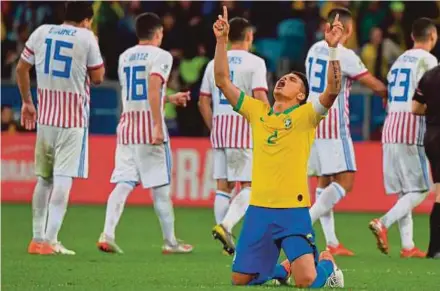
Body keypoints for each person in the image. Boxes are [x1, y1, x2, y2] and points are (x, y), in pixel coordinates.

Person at [213, 6, 344, 288]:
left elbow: (332, 90)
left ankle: (328, 265)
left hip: (292, 210)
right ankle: (283, 269)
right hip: (259, 209)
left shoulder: (306, 115)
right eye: (284, 78)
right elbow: (222, 81)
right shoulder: (257, 111)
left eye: (293, 80)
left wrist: (333, 49)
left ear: (301, 95)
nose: (284, 79)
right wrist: (221, 41)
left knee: (307, 280)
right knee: (240, 280)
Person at [97, 12, 193, 255]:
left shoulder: (124, 56)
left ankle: (107, 233)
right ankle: (170, 242)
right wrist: (159, 125)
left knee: (123, 182)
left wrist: (169, 97)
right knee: (160, 189)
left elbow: (137, 94)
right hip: (150, 130)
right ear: (158, 33)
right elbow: (151, 87)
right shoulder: (162, 55)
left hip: (128, 128)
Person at [16, 2, 105, 255]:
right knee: (63, 179)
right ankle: (51, 241)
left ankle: (36, 239)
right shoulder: (87, 37)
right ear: (87, 19)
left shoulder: (42, 32)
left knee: (44, 180)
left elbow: (22, 68)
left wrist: (27, 103)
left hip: (45, 119)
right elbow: (98, 78)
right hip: (72, 121)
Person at [306, 7, 388, 256]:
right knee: (346, 181)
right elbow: (373, 84)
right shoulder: (345, 54)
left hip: (312, 120)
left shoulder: (313, 49)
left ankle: (331, 242)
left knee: (324, 181)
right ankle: (302, 223)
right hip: (333, 124)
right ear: (349, 29)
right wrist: (387, 94)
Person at [198, 16, 269, 255]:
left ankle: (225, 242)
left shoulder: (213, 63)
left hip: (220, 130)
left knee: (223, 186)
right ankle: (226, 225)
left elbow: (203, 102)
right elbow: (260, 97)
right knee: (251, 185)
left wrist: (214, 126)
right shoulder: (256, 62)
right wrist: (271, 124)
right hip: (244, 130)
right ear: (249, 36)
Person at [369, 18, 438, 258]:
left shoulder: (399, 59)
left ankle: (408, 246)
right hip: (412, 127)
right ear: (432, 36)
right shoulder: (428, 60)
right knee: (421, 189)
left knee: (404, 191)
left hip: (390, 128)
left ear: (412, 36)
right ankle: (383, 223)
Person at [412, 64, 440, 259]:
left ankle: (434, 249)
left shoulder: (429, 76)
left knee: (439, 190)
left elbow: (415, 107)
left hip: (431, 137)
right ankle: (436, 249)